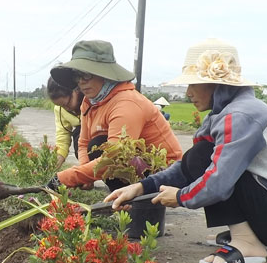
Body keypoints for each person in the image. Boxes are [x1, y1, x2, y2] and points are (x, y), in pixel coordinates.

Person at [105, 38, 267, 263]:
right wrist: (141, 187)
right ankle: (248, 234)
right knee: (200, 156)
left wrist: (181, 197)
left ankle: (247, 243)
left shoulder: (240, 116)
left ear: (217, 84)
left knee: (208, 161)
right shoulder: (226, 113)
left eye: (194, 84)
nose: (188, 92)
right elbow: (188, 167)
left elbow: (218, 181)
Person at [47, 40, 182, 190]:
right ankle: (123, 194)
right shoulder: (89, 101)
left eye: (86, 75)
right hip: (134, 165)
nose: (81, 82)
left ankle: (137, 198)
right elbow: (84, 142)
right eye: (77, 77)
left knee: (101, 146)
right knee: (95, 145)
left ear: (103, 74)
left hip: (165, 175)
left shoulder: (126, 103)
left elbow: (115, 158)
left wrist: (67, 178)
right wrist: (85, 174)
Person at [46, 75, 82, 169]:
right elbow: (63, 137)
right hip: (82, 140)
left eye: (67, 104)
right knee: (78, 136)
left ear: (75, 90)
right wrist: (54, 165)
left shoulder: (89, 99)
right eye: (61, 106)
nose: (67, 109)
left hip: (99, 135)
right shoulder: (60, 109)